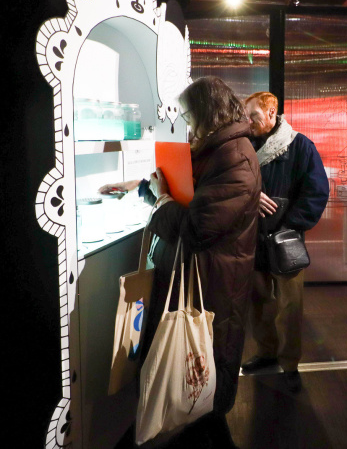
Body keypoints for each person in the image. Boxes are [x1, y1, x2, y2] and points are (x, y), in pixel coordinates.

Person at [137, 76, 261, 447]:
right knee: (197, 378)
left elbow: (196, 228)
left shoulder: (235, 157)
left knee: (204, 377)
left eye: (189, 116)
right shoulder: (218, 150)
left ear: (208, 112)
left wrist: (161, 200)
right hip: (204, 280)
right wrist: (155, 188)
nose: (186, 125)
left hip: (214, 289)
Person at [240, 92, 329, 392]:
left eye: (252, 116)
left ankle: (290, 364)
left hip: (285, 240)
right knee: (259, 302)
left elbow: (316, 193)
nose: (247, 122)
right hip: (252, 239)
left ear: (271, 112)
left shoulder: (300, 146)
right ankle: (266, 353)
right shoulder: (243, 147)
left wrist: (289, 227)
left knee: (290, 306)